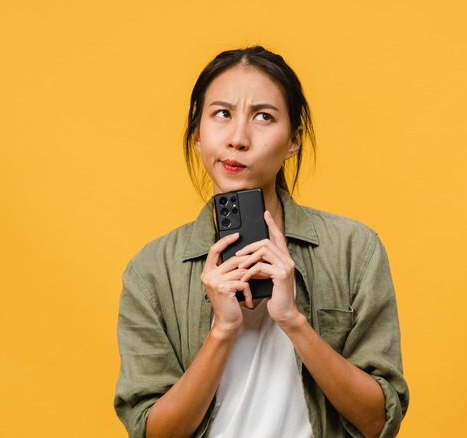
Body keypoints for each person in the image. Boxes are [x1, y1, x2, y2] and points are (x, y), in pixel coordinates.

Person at [114, 46, 409, 438]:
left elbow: (378, 421)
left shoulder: (354, 249)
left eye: (264, 117)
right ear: (197, 134)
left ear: (293, 141)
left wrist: (293, 321)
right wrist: (222, 330)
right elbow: (151, 432)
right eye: (222, 114)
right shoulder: (152, 271)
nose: (238, 138)